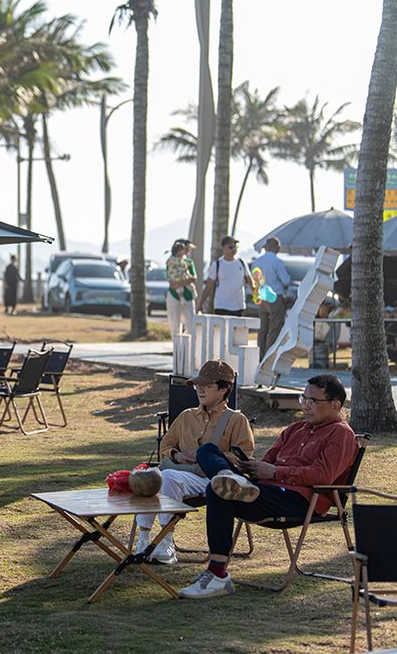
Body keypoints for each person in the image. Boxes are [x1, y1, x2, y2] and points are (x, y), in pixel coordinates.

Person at [178, 373, 359, 599]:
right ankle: (230, 478)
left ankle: (217, 573)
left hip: (297, 500)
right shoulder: (295, 429)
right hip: (262, 492)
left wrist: (275, 472)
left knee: (218, 489)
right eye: (304, 399)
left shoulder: (341, 434)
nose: (305, 406)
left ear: (335, 405)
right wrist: (254, 467)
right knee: (209, 455)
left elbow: (322, 475)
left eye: (313, 401)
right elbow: (270, 459)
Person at [134, 360, 254, 564]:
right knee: (146, 478)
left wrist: (208, 456)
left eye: (207, 386)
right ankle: (144, 538)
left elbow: (243, 457)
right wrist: (177, 455)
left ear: (223, 389)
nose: (200, 389)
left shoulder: (236, 420)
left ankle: (165, 541)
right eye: (198, 385)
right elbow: (165, 446)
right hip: (181, 472)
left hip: (212, 479)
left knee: (168, 477)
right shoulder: (186, 416)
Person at [251, 237, 292, 358]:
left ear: (266, 247)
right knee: (274, 328)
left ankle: (259, 356)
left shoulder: (257, 262)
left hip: (262, 297)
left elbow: (254, 280)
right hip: (274, 297)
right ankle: (269, 356)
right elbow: (286, 280)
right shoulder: (277, 262)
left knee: (263, 329)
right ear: (277, 248)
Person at [197, 236, 255, 316]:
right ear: (223, 248)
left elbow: (250, 281)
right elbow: (208, 286)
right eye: (230, 247)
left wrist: (256, 293)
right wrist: (200, 304)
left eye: (235, 247)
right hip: (221, 305)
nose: (233, 249)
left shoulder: (241, 263)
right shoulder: (217, 264)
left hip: (238, 306)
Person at [165, 239, 198, 336]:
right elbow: (171, 281)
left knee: (191, 324)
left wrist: (180, 282)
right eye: (186, 249)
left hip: (188, 296)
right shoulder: (172, 261)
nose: (187, 251)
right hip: (174, 295)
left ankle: (187, 342)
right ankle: (176, 344)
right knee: (175, 325)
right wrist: (183, 282)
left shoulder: (188, 262)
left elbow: (193, 278)